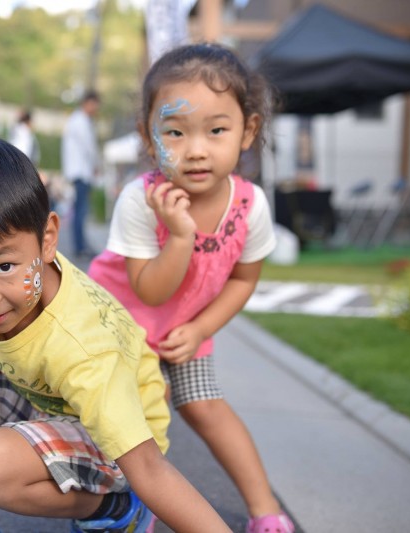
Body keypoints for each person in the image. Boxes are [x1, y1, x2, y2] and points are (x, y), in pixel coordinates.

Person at [0, 136, 230, 533]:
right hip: (57, 399)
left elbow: (151, 469)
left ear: (48, 238)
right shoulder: (17, 249)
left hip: (119, 436)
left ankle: (115, 507)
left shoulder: (82, 350)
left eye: (2, 268)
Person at [87, 43, 294, 533]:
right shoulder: (142, 200)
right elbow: (150, 290)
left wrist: (201, 329)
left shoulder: (251, 206)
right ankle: (135, 506)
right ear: (147, 135)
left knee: (206, 408)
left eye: (217, 130)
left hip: (186, 332)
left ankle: (265, 509)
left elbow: (244, 280)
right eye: (175, 132)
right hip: (119, 334)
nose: (196, 149)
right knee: (128, 425)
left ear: (249, 131)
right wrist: (179, 234)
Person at [61, 90, 100, 258]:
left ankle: (80, 244)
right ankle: (80, 246)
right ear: (88, 103)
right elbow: (89, 147)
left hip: (77, 171)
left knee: (79, 210)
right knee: (81, 210)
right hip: (81, 172)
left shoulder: (76, 120)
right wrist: (97, 165)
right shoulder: (81, 121)